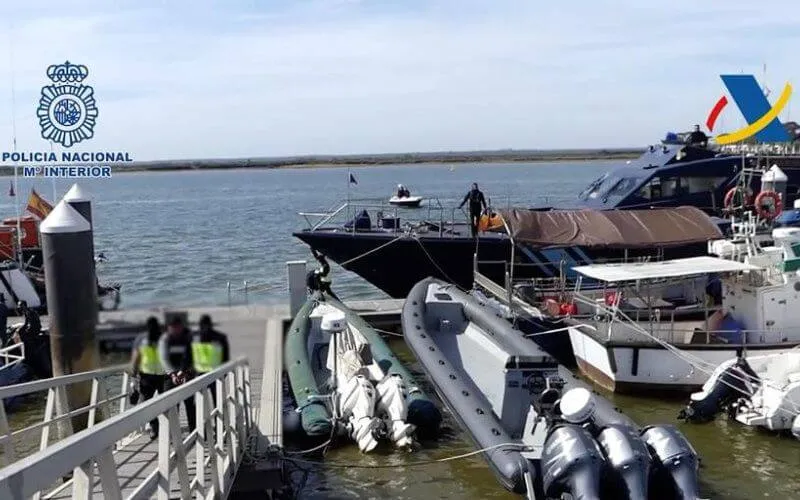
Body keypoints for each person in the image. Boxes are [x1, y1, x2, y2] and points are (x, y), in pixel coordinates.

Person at [130, 317, 167, 439]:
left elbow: (136, 358)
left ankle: (155, 428)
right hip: (162, 375)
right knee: (166, 403)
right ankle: (163, 428)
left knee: (148, 404)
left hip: (147, 376)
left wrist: (133, 375)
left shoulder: (141, 339)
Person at [158, 315, 196, 431]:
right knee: (171, 406)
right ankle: (171, 433)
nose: (175, 329)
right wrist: (173, 374)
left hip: (187, 373)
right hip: (170, 376)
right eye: (172, 327)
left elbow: (191, 357)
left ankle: (194, 430)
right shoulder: (165, 339)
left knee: (190, 404)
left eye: (177, 327)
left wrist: (184, 372)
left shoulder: (188, 338)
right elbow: (164, 359)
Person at [191, 315, 230, 408]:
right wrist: (224, 373)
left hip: (201, 374)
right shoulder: (220, 337)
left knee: (199, 402)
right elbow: (225, 357)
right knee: (217, 401)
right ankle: (219, 421)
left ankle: (201, 421)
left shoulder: (194, 337)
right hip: (214, 372)